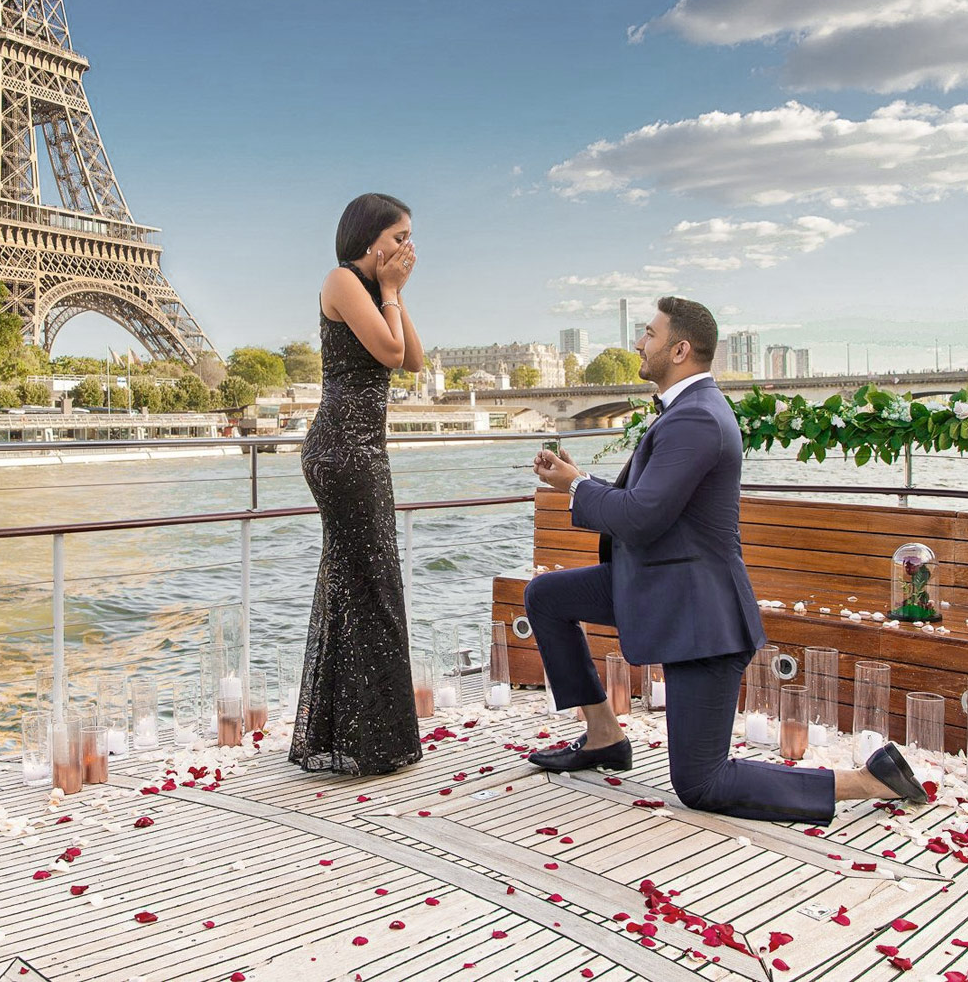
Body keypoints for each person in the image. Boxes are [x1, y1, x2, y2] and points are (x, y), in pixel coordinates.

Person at [524, 296, 926, 821]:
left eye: (648, 333)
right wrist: (585, 483)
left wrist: (575, 485)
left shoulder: (696, 420)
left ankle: (870, 781)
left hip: (700, 617)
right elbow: (650, 509)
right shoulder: (689, 413)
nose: (639, 343)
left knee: (701, 783)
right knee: (546, 596)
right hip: (655, 585)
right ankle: (604, 735)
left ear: (680, 348)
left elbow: (642, 518)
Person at [290, 193, 425, 775]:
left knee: (361, 585)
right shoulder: (341, 280)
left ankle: (350, 734)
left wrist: (396, 294)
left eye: (410, 238)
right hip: (342, 452)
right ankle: (374, 740)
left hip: (366, 451)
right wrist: (390, 294)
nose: (406, 248)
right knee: (371, 586)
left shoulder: (375, 294)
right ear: (368, 238)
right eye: (397, 237)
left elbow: (415, 358)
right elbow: (391, 355)